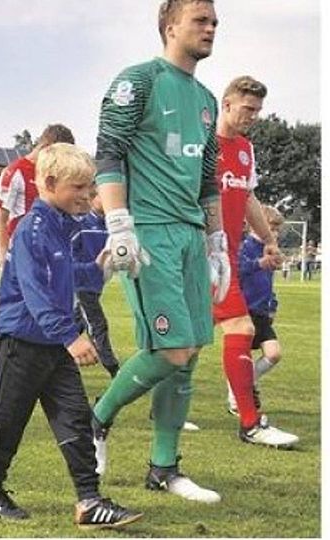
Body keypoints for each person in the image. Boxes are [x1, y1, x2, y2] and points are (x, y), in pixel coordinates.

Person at [90, 0, 224, 503]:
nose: (210, 28)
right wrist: (118, 223)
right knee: (172, 350)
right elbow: (109, 152)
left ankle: (163, 467)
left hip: (190, 234)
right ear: (170, 26)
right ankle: (97, 419)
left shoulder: (208, 98)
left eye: (214, 22)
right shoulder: (138, 81)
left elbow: (207, 179)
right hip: (147, 231)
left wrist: (217, 241)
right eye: (201, 20)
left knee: (188, 356)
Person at [0, 143, 142, 529]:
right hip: (23, 344)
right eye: (79, 187)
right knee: (6, 421)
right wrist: (72, 337)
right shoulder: (33, 229)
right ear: (50, 183)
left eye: (90, 187)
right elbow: (38, 294)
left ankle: (89, 500)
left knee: (76, 419)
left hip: (53, 347)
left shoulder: (63, 224)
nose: (87, 195)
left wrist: (101, 266)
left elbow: (68, 277)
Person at [211, 75, 298, 448]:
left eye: (258, 110)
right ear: (227, 103)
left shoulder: (245, 149)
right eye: (248, 108)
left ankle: (248, 420)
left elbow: (247, 199)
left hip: (226, 257)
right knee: (183, 347)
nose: (254, 116)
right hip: (196, 255)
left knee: (227, 333)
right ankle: (103, 417)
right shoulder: (201, 144)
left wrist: (270, 240)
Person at [0, 124, 75, 270]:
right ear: (46, 147)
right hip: (21, 252)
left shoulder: (55, 173)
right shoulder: (15, 171)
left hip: (50, 254)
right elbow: (0, 219)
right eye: (59, 155)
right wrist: (4, 257)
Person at [236, 206, 286, 418]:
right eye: (270, 227)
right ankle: (236, 398)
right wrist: (259, 263)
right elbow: (239, 268)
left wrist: (272, 304)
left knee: (274, 354)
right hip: (245, 310)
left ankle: (247, 384)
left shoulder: (269, 249)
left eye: (276, 229)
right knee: (242, 357)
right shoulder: (246, 247)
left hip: (261, 310)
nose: (274, 233)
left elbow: (268, 282)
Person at [70, 189, 120, 378]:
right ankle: (114, 369)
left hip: (96, 285)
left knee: (74, 326)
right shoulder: (80, 226)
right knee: (97, 324)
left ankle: (47, 359)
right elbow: (67, 259)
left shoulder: (110, 228)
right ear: (93, 198)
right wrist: (91, 267)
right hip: (81, 286)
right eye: (103, 195)